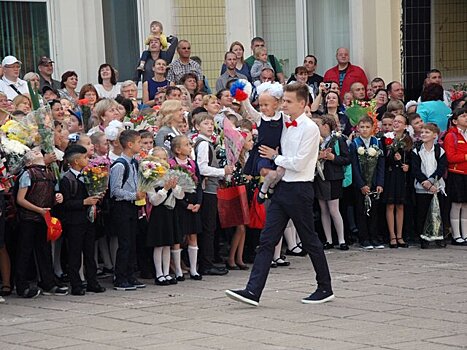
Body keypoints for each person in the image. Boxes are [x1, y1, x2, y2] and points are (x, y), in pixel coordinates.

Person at [225, 83, 334, 306]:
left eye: (288, 101)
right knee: (267, 240)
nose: (283, 104)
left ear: (302, 104)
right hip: (283, 187)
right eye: (283, 100)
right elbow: (264, 121)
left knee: (310, 240)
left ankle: (325, 287)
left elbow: (300, 162)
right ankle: (253, 291)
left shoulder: (310, 128)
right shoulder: (285, 123)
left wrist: (275, 158)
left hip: (300, 189)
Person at [15, 149, 68, 298]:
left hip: (43, 217)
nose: (39, 153)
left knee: (44, 251)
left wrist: (57, 197)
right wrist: (38, 210)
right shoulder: (28, 174)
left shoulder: (50, 173)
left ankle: (48, 282)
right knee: (24, 252)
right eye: (35, 153)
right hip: (29, 218)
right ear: (29, 162)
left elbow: (51, 193)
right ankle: (22, 285)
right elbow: (20, 199)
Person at [59, 145, 106, 295]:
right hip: (74, 222)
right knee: (74, 253)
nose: (88, 160)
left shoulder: (89, 175)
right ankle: (76, 284)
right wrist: (83, 202)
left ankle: (92, 282)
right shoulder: (67, 179)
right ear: (76, 161)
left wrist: (98, 195)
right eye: (85, 158)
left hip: (88, 220)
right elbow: (65, 203)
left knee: (90, 252)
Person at [193, 112, 233, 276]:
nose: (210, 126)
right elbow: (202, 168)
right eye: (205, 124)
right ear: (197, 127)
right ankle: (206, 264)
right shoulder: (203, 144)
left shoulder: (207, 143)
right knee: (208, 228)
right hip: (207, 189)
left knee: (210, 227)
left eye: (211, 124)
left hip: (211, 188)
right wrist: (222, 171)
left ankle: (207, 261)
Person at [109, 130, 147, 290]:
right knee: (124, 243)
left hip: (133, 207)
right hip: (122, 207)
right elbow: (115, 190)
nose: (141, 145)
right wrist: (134, 195)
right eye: (139, 142)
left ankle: (130, 275)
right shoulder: (119, 165)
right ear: (130, 145)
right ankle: (120, 277)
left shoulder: (134, 162)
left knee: (132, 241)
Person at [241, 82, 285, 203]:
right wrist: (244, 97)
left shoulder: (283, 117)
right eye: (261, 105)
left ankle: (271, 186)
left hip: (277, 152)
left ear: (276, 104)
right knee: (267, 172)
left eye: (266, 105)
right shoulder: (260, 118)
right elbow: (249, 108)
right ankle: (264, 189)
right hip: (262, 152)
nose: (263, 108)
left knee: (280, 172)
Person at [147, 147, 184, 286]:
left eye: (164, 158)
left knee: (168, 244)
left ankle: (167, 272)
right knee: (159, 244)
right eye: (158, 159)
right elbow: (154, 200)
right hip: (158, 214)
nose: (162, 161)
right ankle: (159, 273)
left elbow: (180, 195)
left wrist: (174, 188)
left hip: (170, 211)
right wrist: (165, 189)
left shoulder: (171, 174)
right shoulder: (150, 177)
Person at [313, 115, 351, 250]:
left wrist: (332, 157)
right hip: (320, 177)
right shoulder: (316, 141)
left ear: (325, 126)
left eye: (318, 126)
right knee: (323, 209)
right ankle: (328, 240)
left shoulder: (338, 139)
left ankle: (341, 239)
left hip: (334, 177)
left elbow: (347, 159)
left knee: (334, 209)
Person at [169, 136, 203, 280]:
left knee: (192, 236)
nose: (190, 147)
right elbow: (172, 188)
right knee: (178, 238)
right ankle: (178, 270)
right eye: (186, 145)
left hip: (193, 204)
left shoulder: (192, 164)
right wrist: (185, 204)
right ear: (177, 150)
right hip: (180, 205)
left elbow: (199, 185)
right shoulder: (171, 165)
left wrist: (199, 203)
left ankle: (194, 269)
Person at [349, 116, 385, 249]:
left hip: (374, 182)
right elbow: (354, 166)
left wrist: (380, 183)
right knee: (361, 210)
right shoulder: (355, 144)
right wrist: (361, 185)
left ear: (373, 128)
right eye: (362, 127)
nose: (364, 130)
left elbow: (381, 164)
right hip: (361, 184)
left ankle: (374, 236)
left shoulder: (377, 142)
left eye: (367, 127)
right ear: (358, 128)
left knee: (374, 211)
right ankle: (364, 238)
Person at [411, 123, 447, 248]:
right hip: (422, 187)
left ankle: (439, 236)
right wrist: (424, 182)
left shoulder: (439, 151)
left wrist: (432, 181)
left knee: (438, 212)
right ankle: (423, 237)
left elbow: (441, 168)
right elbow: (415, 169)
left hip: (436, 186)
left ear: (435, 135)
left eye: (427, 132)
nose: (424, 134)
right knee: (422, 212)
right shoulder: (416, 150)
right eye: (422, 132)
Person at [381, 114, 413, 248]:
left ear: (405, 126)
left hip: (401, 175)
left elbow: (411, 158)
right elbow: (382, 158)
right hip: (390, 174)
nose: (396, 124)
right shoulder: (386, 138)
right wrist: (392, 157)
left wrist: (407, 166)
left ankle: (400, 235)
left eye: (400, 122)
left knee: (400, 205)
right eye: (395, 121)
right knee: (390, 205)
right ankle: (392, 235)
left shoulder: (407, 140)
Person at [225, 130, 254, 270]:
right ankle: (232, 257)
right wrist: (246, 178)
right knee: (240, 227)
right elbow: (233, 177)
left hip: (245, 192)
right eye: (249, 141)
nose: (252, 143)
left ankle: (239, 257)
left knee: (243, 228)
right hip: (237, 193)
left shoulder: (247, 156)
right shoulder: (235, 159)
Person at [444, 107, 467, 245]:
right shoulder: (451, 135)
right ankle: (456, 234)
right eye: (463, 116)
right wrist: (465, 156)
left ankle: (465, 234)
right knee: (456, 203)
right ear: (454, 121)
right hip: (456, 174)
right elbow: (450, 157)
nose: (466, 118)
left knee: (465, 204)